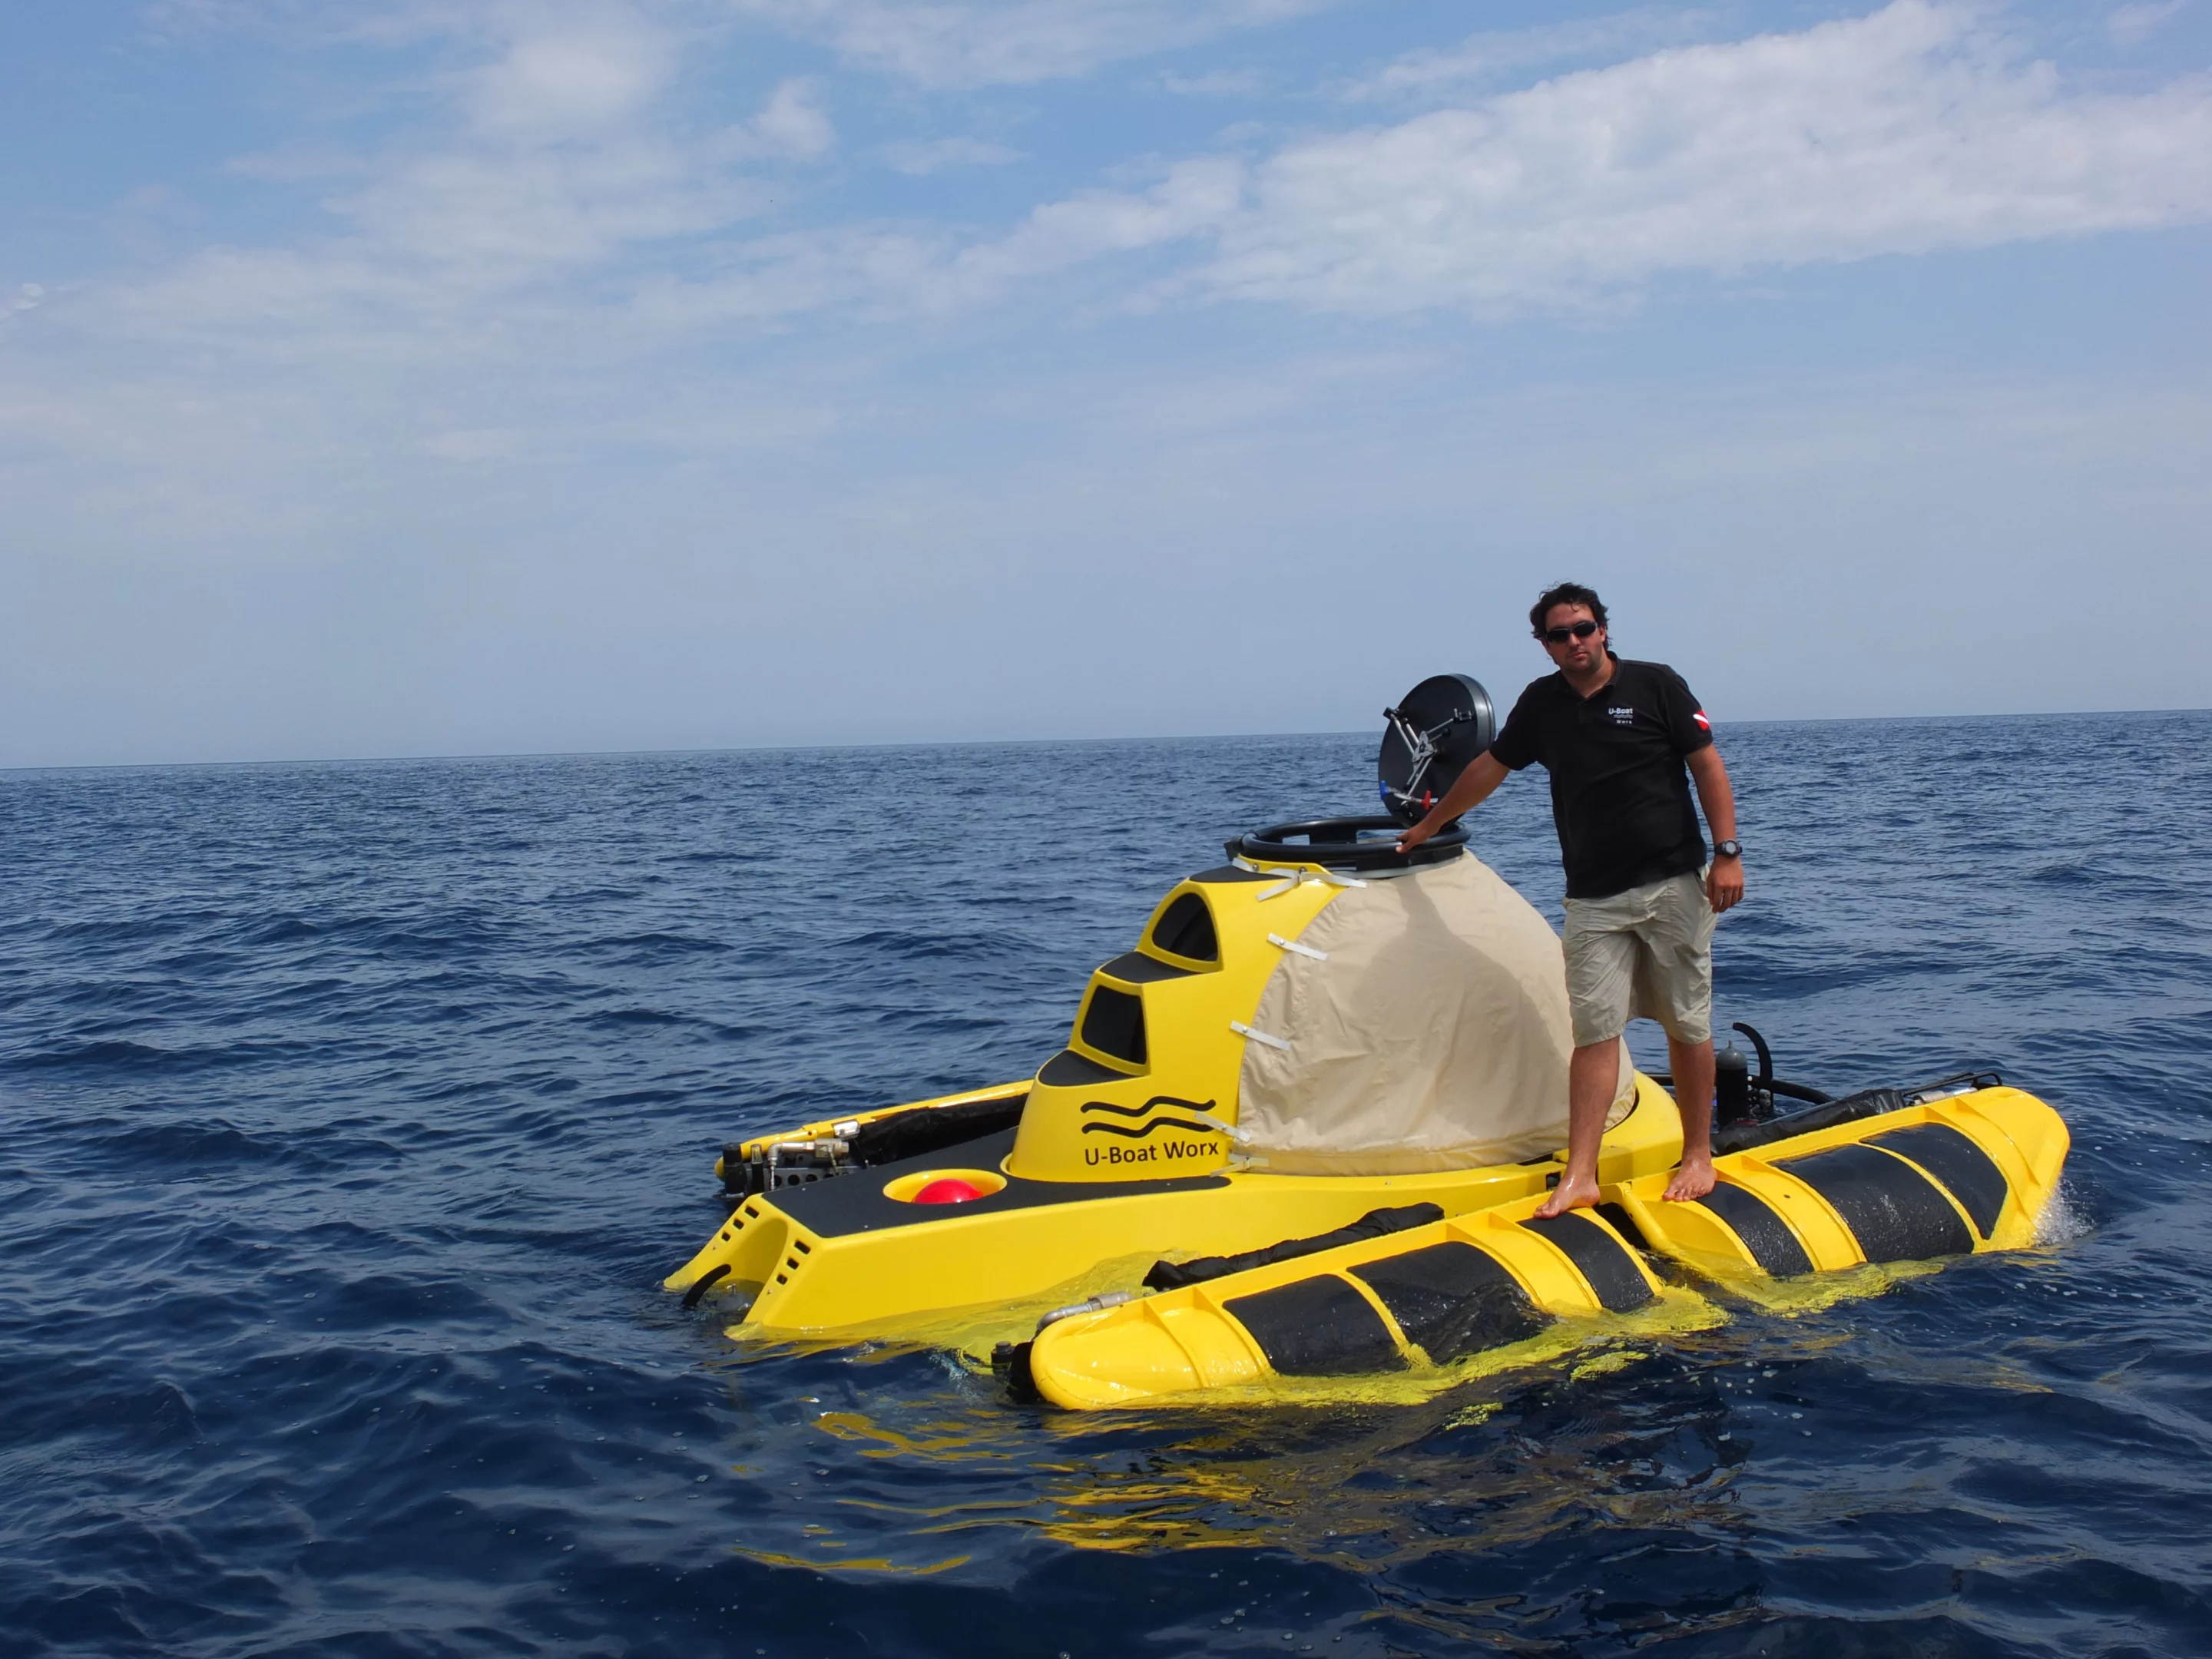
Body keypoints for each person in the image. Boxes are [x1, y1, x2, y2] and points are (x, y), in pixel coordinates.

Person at [1396, 581, 1743, 1215]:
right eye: (1561, 635)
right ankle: (1580, 1174)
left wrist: (1727, 853)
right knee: (1594, 1031)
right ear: (1545, 645)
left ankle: (1698, 1155)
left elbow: (1708, 766)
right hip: (1592, 898)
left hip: (1673, 885)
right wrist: (1428, 826)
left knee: (1686, 1024)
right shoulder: (1542, 704)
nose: (1575, 642)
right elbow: (1489, 769)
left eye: (1584, 628)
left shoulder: (1656, 684)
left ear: (1603, 629)